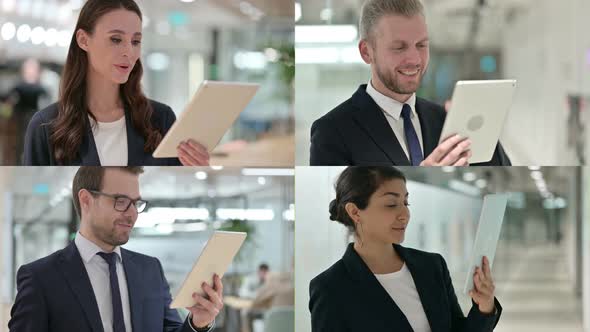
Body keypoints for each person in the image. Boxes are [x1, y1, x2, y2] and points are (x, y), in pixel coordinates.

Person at [9, 167, 223, 332]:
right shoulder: (41, 277)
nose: (132, 214)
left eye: (136, 203)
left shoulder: (150, 269)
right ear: (86, 200)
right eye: (121, 201)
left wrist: (197, 323)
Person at [309, 0, 511, 166]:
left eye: (421, 45)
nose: (414, 59)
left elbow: (500, 173)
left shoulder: (444, 119)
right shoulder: (331, 132)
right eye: (399, 47)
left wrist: (484, 136)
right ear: (366, 52)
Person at [309, 166, 502, 331]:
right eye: (391, 204)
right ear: (355, 212)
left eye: (405, 202)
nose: (405, 214)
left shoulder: (432, 265)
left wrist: (485, 307)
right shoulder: (330, 288)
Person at [23, 0, 209, 166]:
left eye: (136, 41)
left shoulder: (160, 120)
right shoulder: (46, 126)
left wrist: (197, 171)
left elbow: (175, 197)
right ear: (83, 40)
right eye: (116, 39)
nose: (129, 52)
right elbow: (32, 200)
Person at [8, 58, 48, 164]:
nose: (30, 71)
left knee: (32, 146)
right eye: (28, 68)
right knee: (21, 145)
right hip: (20, 121)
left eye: (33, 68)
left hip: (35, 120)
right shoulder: (19, 86)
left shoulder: (40, 88)